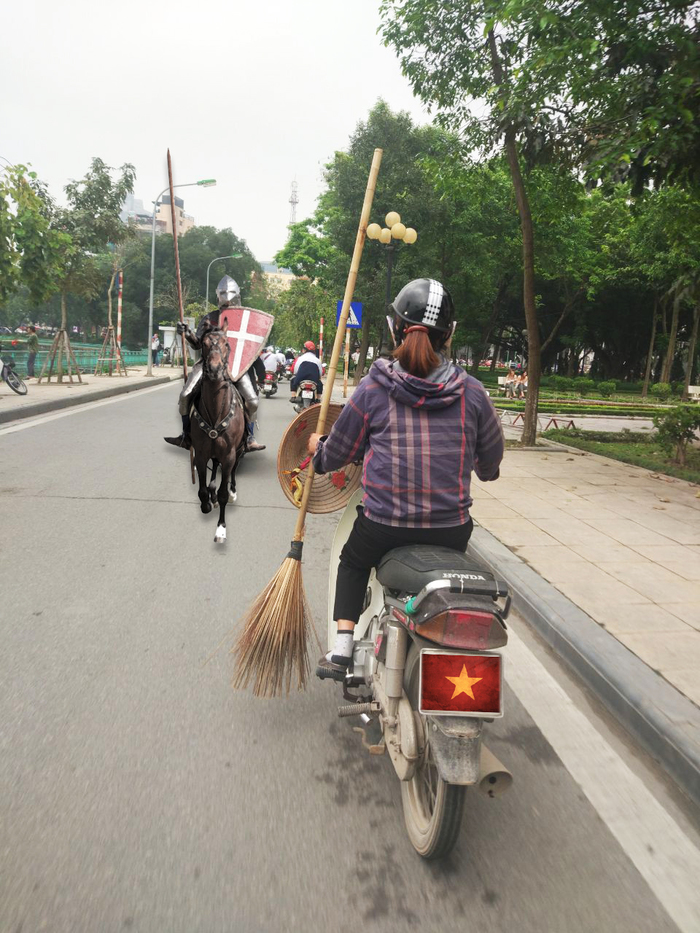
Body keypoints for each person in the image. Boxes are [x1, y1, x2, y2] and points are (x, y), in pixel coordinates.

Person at [307, 278, 504, 670]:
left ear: (395, 327)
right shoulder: (474, 393)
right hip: (451, 530)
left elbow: (338, 455)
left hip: (384, 526)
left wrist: (317, 451)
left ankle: (344, 647)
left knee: (352, 560)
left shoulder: (374, 388)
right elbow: (490, 467)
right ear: (449, 334)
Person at [164, 275, 265, 451]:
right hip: (208, 366)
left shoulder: (245, 320)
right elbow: (197, 344)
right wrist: (187, 333)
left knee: (253, 401)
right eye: (223, 295)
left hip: (235, 369)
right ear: (218, 296)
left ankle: (249, 437)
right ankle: (186, 435)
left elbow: (249, 349)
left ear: (237, 296)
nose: (227, 299)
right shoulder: (210, 318)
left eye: (230, 295)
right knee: (185, 396)